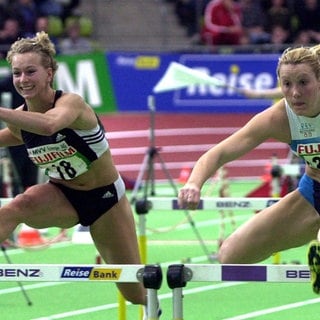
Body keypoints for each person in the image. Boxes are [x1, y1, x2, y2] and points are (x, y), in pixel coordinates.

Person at [0, 31, 151, 312]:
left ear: (49, 72)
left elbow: (48, 126)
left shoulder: (71, 103)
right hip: (62, 197)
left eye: (31, 71)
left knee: (134, 291)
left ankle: (153, 312)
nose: (23, 80)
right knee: (19, 204)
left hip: (106, 200)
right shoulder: (19, 122)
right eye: (17, 73)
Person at [178, 45, 320, 294]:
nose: (295, 93)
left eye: (303, 82)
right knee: (231, 255)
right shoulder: (279, 118)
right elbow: (219, 152)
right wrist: (193, 183)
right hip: (313, 193)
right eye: (286, 84)